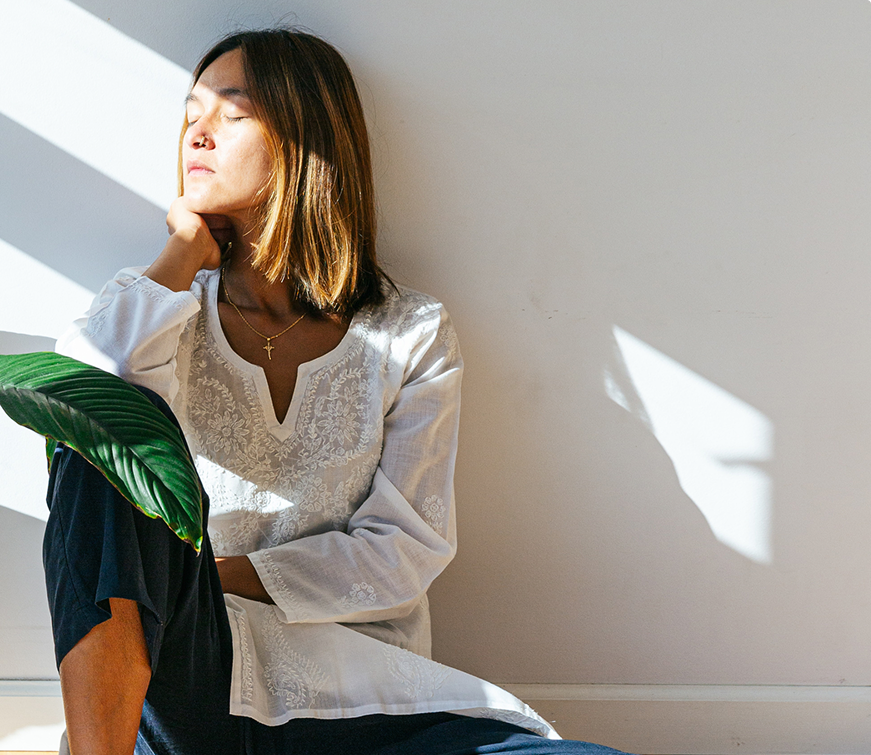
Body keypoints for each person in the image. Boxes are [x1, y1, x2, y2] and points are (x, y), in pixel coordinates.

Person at [48, 28, 631, 755]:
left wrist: (215, 575)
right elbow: (67, 395)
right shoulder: (165, 318)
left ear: (305, 141)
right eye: (190, 113)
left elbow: (401, 551)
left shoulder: (409, 333)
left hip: (360, 695)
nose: (197, 131)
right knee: (98, 439)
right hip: (192, 685)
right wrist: (180, 253)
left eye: (230, 113)